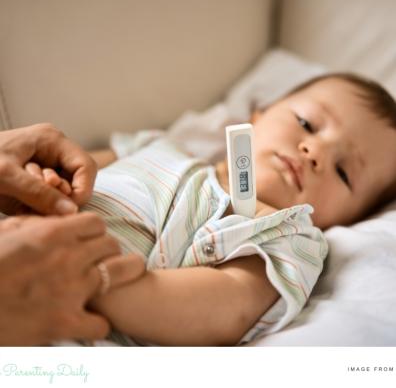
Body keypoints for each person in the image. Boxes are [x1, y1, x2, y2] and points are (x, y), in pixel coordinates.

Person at [26, 73, 396, 346]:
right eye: (307, 124)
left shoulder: (286, 235)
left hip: (68, 319)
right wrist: (43, 179)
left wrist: (102, 287)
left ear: (349, 220)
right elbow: (76, 164)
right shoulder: (159, 144)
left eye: (344, 172)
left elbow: (228, 305)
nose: (315, 152)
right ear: (258, 115)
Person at [0, 123, 144, 346]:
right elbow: (82, 165)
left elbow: (213, 300)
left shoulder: (214, 223)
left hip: (65, 301)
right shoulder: (164, 146)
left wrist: (100, 286)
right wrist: (44, 178)